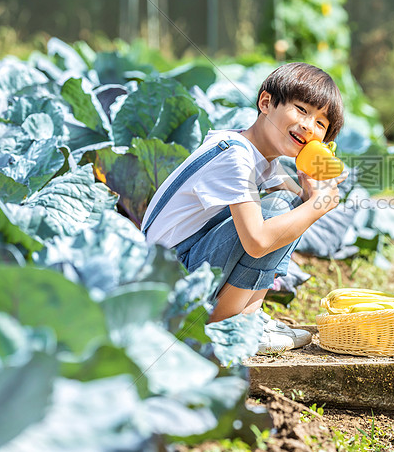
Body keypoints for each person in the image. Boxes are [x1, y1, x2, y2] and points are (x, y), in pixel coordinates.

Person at [142, 62, 346, 354]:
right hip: (169, 282)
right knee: (283, 209)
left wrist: (312, 186)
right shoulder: (234, 155)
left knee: (292, 206)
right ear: (266, 102)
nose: (307, 126)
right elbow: (258, 240)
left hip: (179, 269)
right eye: (302, 109)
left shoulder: (260, 157)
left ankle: (249, 317)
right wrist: (319, 203)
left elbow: (301, 202)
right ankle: (232, 324)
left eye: (320, 124)